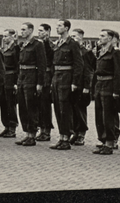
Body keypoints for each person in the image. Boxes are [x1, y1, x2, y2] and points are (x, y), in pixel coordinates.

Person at [48, 20, 84, 151]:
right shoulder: (57, 43)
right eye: (56, 26)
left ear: (67, 28)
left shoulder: (72, 44)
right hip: (57, 78)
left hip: (66, 78)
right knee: (58, 108)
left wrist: (75, 82)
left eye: (60, 26)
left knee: (65, 109)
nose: (57, 28)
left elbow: (79, 65)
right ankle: (62, 137)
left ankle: (66, 138)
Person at [14, 22, 47, 147]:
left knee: (31, 106)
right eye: (21, 29)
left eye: (24, 30)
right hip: (22, 77)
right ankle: (27, 133)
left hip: (31, 77)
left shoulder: (37, 44)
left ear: (30, 30)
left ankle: (32, 134)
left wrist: (39, 83)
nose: (22, 32)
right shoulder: (23, 45)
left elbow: (42, 65)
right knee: (22, 107)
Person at [69, 29, 94, 146]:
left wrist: (87, 87)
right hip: (71, 84)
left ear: (81, 38)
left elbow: (88, 71)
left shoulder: (86, 52)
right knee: (72, 110)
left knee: (80, 110)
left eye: (75, 36)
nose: (73, 38)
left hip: (81, 85)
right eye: (71, 36)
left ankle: (81, 134)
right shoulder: (71, 51)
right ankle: (75, 132)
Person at [0, 29, 20, 138]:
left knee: (11, 103)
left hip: (11, 77)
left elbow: (17, 66)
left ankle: (12, 127)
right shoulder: (4, 49)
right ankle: (6, 126)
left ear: (12, 37)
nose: (4, 38)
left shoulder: (15, 49)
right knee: (3, 103)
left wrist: (16, 81)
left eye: (6, 36)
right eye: (3, 36)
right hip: (3, 78)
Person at [35, 24, 54, 142]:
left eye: (41, 31)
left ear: (48, 32)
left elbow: (51, 58)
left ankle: (46, 130)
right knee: (38, 105)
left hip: (47, 77)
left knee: (45, 105)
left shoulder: (51, 44)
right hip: (38, 76)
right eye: (38, 30)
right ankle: (41, 128)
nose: (39, 33)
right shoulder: (37, 44)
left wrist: (46, 43)